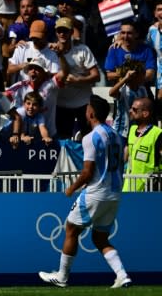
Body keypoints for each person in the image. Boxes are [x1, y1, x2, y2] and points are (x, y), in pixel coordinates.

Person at [39, 95, 132, 290]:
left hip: (96, 192)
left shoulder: (90, 138)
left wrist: (72, 188)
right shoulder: (115, 134)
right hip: (114, 193)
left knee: (71, 229)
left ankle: (62, 277)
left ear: (91, 113)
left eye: (87, 109)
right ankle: (122, 275)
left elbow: (87, 172)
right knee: (100, 238)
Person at [123, 97, 162, 192]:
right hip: (129, 187)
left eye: (134, 109)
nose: (130, 111)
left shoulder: (157, 133)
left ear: (145, 113)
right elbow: (125, 157)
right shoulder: (132, 130)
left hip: (149, 189)